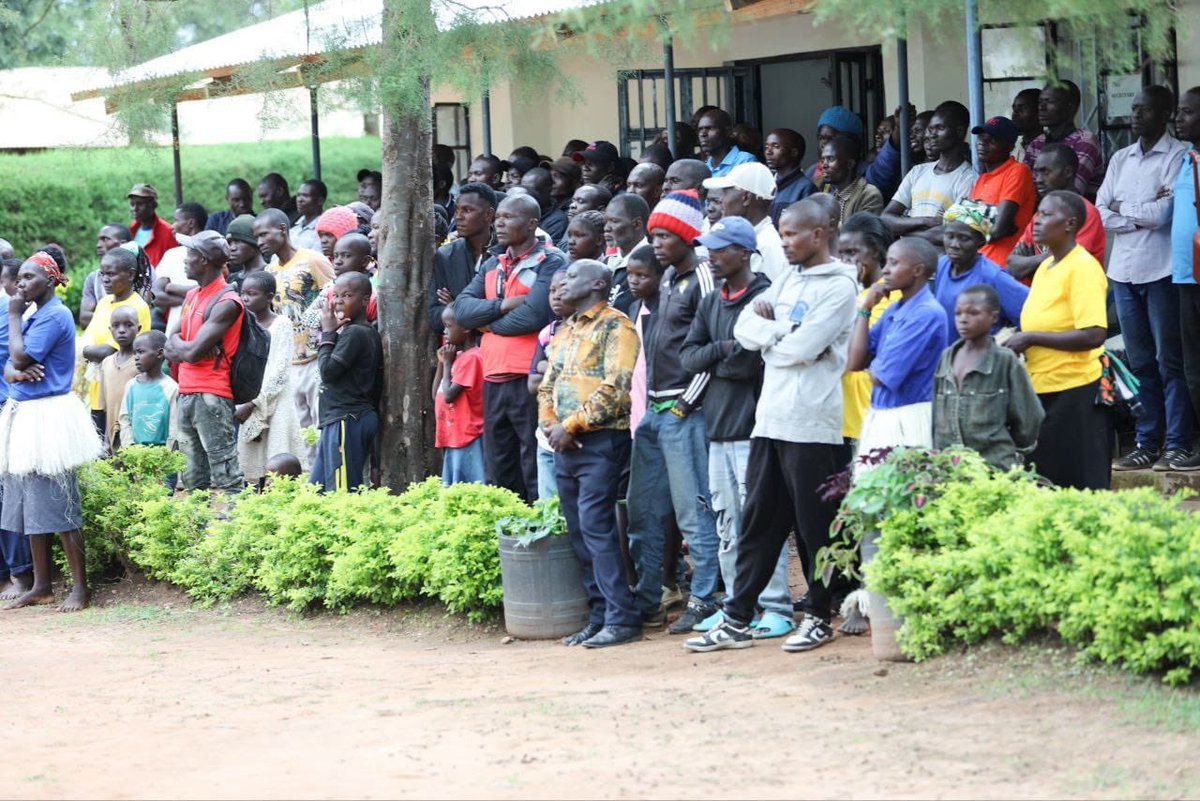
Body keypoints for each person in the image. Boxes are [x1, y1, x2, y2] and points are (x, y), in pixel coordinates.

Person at [684, 199, 858, 654]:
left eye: (792, 234)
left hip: (813, 422)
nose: (784, 241)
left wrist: (774, 336)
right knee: (758, 522)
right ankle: (739, 616)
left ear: (819, 234)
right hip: (770, 420)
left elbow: (806, 347)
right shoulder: (788, 278)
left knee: (814, 527)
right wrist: (782, 334)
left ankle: (819, 616)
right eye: (780, 234)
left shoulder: (840, 286)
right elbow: (745, 329)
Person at [679, 216, 795, 639]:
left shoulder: (765, 296)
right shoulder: (712, 301)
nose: (710, 255)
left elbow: (748, 363)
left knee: (760, 520)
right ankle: (737, 606)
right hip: (719, 425)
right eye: (708, 248)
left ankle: (776, 605)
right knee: (728, 522)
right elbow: (688, 357)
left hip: (755, 426)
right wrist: (725, 348)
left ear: (744, 252)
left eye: (719, 248)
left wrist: (721, 356)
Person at [626, 189, 721, 634]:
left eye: (665, 236)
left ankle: (705, 596)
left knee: (692, 510)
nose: (657, 244)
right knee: (645, 511)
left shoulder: (703, 276)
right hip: (654, 409)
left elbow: (710, 346)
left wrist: (687, 403)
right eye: (654, 235)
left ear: (687, 236)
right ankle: (647, 599)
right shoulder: (664, 278)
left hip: (684, 408)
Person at [538, 258, 642, 649]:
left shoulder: (617, 325)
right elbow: (548, 384)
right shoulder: (566, 329)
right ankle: (599, 615)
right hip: (564, 442)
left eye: (573, 277)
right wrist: (551, 425)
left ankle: (622, 616)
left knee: (597, 528)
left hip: (600, 441)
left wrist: (573, 425)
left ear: (598, 284)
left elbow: (617, 386)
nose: (563, 284)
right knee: (580, 533)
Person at [0, 249, 103, 612]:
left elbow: (21, 358)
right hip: (27, 414)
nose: (20, 284)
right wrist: (14, 369)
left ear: (50, 281)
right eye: (20, 278)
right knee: (30, 504)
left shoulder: (53, 315)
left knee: (61, 503)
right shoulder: (35, 312)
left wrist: (13, 320)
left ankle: (80, 587)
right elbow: (13, 369)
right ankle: (42, 585)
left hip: (48, 419)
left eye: (29, 278)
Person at [1097, 86, 1190, 471]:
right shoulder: (1121, 157)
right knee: (1139, 362)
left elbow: (1164, 215)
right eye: (1133, 108)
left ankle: (1178, 443)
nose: (1135, 115)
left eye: (1145, 109)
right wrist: (1137, 211)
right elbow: (1102, 210)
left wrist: (1126, 211)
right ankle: (1147, 441)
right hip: (1123, 270)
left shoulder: (1178, 155)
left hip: (1161, 270)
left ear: (1165, 113)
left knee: (1170, 361)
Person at [454, 194, 565, 503]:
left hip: (528, 377)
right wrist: (504, 305)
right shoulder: (493, 262)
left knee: (532, 462)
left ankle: (539, 540)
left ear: (532, 224)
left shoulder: (551, 261)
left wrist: (487, 325)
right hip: (493, 377)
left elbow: (534, 315)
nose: (499, 223)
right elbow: (461, 311)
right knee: (499, 465)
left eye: (509, 218)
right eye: (498, 217)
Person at [1006, 191, 1110, 489]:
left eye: (1046, 215)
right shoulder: (1046, 266)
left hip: (1075, 390)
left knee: (1076, 484)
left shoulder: (1083, 267)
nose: (1036, 221)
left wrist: (1031, 337)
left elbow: (1094, 334)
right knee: (1045, 481)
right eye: (1037, 213)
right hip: (1042, 388)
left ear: (1070, 223)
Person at [847, 236, 948, 456]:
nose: (885, 271)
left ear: (917, 270)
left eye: (894, 263)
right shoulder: (894, 309)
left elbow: (882, 375)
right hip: (881, 413)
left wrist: (873, 365)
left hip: (908, 418)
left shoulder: (926, 313)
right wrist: (865, 309)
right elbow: (855, 362)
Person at [163, 230, 246, 492]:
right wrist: (188, 347)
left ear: (204, 260)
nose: (185, 260)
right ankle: (197, 534)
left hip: (212, 396)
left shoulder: (227, 302)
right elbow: (170, 343)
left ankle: (237, 533)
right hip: (186, 392)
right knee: (191, 480)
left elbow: (189, 352)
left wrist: (187, 349)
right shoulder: (192, 295)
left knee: (226, 476)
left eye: (190, 254)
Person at [933, 284, 1044, 470]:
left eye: (973, 313)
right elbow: (936, 415)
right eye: (958, 313)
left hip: (994, 467)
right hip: (951, 468)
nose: (963, 320)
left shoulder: (1004, 361)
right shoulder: (946, 357)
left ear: (993, 317)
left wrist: (1016, 451)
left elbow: (1029, 415)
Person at [255, 208, 335, 435]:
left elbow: (335, 296)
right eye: (257, 237)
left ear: (283, 229)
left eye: (264, 234)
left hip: (317, 358)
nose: (260, 242)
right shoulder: (270, 271)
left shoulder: (312, 261)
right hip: (289, 362)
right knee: (301, 433)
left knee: (322, 427)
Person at [311, 272, 382, 492]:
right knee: (318, 490)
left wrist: (328, 334)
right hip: (342, 418)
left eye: (347, 295)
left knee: (341, 493)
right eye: (337, 295)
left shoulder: (356, 333)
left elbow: (328, 371)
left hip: (347, 418)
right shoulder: (357, 332)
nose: (339, 301)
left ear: (364, 300)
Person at [237, 271, 306, 488]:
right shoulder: (243, 326)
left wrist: (253, 403)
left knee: (278, 463)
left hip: (275, 401)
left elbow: (279, 371)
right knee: (251, 465)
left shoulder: (281, 324)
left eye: (252, 294)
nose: (246, 298)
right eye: (243, 294)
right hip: (248, 400)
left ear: (269, 297)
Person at [837, 212, 899, 446]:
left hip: (870, 419)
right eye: (842, 253)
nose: (846, 261)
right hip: (844, 417)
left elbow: (856, 349)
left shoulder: (887, 295)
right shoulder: (851, 291)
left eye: (853, 253)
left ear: (875, 251)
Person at [932, 200, 1029, 342]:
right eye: (950, 236)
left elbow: (1029, 313)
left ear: (981, 242)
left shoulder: (992, 276)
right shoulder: (942, 264)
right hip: (945, 358)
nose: (954, 245)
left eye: (964, 238)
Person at [881, 102, 977, 244]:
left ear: (960, 131)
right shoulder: (917, 172)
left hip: (941, 262)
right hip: (908, 259)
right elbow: (885, 219)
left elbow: (951, 234)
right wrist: (926, 221)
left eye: (940, 128)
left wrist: (905, 229)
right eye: (931, 129)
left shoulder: (968, 178)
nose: (932, 135)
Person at [1008, 144, 1107, 281]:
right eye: (1037, 173)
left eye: (1045, 172)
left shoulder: (1084, 212)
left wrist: (1031, 263)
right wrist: (1047, 258)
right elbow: (1012, 266)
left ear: (1067, 172)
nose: (1038, 180)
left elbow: (1068, 266)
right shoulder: (1040, 215)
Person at [81, 246, 152, 436]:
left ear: (130, 274)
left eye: (111, 274)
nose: (105, 279)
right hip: (99, 389)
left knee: (120, 443)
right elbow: (91, 337)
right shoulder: (104, 303)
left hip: (122, 389)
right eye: (102, 274)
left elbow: (110, 351)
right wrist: (88, 349)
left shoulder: (137, 306)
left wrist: (81, 351)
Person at [1169, 87, 1200, 471]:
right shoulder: (1185, 158)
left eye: (1188, 112)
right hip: (1184, 275)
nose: (1179, 118)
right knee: (1193, 367)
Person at [0, 258, 32, 602]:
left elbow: (17, 362)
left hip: (8, 407)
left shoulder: (9, 313)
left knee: (8, 495)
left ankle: (19, 574)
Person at [429, 183, 497, 335]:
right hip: (459, 348)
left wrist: (454, 307)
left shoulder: (504, 253)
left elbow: (508, 309)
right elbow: (434, 315)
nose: (458, 217)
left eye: (467, 210)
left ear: (488, 214)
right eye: (457, 210)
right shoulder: (445, 255)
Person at [968, 116, 1038, 264]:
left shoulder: (1018, 171)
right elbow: (965, 222)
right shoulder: (981, 179)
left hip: (1003, 269)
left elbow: (999, 229)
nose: (982, 143)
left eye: (992, 139)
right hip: (979, 265)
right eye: (981, 138)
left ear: (1010, 146)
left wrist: (969, 231)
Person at [528, 270, 573, 499]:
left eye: (562, 290)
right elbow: (532, 383)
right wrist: (556, 369)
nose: (555, 296)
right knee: (549, 509)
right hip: (545, 435)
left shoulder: (588, 332)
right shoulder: (548, 333)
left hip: (573, 433)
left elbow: (577, 378)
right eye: (551, 290)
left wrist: (547, 365)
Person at [703, 162, 788, 281]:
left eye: (726, 192)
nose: (721, 199)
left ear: (746, 197)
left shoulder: (767, 247)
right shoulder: (751, 240)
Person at [1022, 80, 1105, 200]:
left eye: (1049, 102)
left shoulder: (1085, 141)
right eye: (1040, 102)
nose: (1041, 107)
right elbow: (1025, 189)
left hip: (1079, 213)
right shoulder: (1036, 144)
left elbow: (1072, 191)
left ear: (1070, 107)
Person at [435, 305, 485, 486]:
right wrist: (442, 364)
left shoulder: (472, 358)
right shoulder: (460, 357)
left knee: (470, 485)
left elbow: (449, 396)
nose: (444, 331)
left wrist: (448, 364)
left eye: (448, 326)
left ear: (466, 328)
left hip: (467, 434)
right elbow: (437, 394)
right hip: (454, 435)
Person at [119, 330, 178, 452]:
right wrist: (130, 450)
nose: (136, 357)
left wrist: (166, 457)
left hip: (163, 462)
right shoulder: (131, 386)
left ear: (159, 353)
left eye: (140, 352)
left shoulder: (171, 388)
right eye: (134, 353)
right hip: (135, 459)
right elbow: (124, 420)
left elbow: (174, 428)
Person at [153, 202, 207, 334]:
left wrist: (172, 288)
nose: (172, 225)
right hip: (174, 332)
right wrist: (193, 300)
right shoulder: (171, 255)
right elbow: (156, 296)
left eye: (176, 220)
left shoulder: (210, 252)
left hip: (203, 331)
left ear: (191, 223)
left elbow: (213, 290)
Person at [97, 305, 141, 452]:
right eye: (116, 326)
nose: (121, 330)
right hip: (113, 436)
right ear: (110, 330)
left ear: (138, 329)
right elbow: (105, 407)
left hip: (137, 435)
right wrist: (106, 440)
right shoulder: (107, 362)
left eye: (128, 325)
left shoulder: (141, 363)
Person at [602, 193, 650, 315]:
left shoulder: (651, 263)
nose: (607, 228)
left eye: (614, 221)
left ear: (637, 224)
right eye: (606, 221)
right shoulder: (607, 262)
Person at [820, 134, 883, 224]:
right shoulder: (831, 197)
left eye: (830, 159)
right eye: (823, 160)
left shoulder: (869, 195)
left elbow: (860, 233)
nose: (824, 165)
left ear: (849, 164)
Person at [81, 224, 131, 328]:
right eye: (99, 240)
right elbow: (84, 319)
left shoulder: (140, 274)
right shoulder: (93, 279)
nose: (98, 245)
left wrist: (99, 316)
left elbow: (143, 313)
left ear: (123, 244)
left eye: (105, 239)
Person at [764, 127, 816, 223]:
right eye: (767, 147)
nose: (768, 152)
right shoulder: (766, 185)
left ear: (794, 152)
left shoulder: (806, 188)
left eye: (776, 146)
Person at [806, 105, 864, 186]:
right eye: (821, 138)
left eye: (830, 138)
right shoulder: (812, 171)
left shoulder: (864, 172)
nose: (824, 144)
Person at [696, 108, 757, 178]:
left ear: (728, 131)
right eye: (700, 130)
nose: (702, 134)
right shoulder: (704, 167)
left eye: (709, 128)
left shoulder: (745, 161)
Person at [128, 183, 178, 267]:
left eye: (140, 204)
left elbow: (173, 264)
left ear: (152, 205)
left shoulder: (168, 232)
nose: (135, 209)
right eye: (132, 204)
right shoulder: (132, 229)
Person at [521, 167, 568, 244]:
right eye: (523, 188)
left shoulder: (557, 221)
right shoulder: (520, 211)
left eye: (532, 190)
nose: (526, 193)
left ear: (549, 190)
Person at [225, 213, 266, 292]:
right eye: (230, 242)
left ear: (255, 242)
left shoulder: (271, 275)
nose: (232, 248)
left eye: (238, 241)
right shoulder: (231, 279)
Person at [290, 179, 327, 252]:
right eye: (298, 195)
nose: (299, 200)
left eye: (305, 196)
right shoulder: (293, 230)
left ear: (320, 201)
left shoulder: (324, 231)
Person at [1011, 88, 1042, 165]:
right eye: (1014, 108)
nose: (1015, 113)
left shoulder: (1051, 148)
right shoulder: (1013, 149)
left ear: (1039, 112)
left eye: (1022, 108)